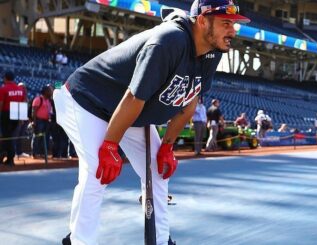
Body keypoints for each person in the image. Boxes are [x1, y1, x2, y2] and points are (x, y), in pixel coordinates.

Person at [53, 1, 250, 244]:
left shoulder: (212, 52)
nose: (233, 31)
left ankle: (161, 240)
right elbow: (134, 97)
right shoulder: (169, 41)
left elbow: (189, 103)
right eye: (225, 23)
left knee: (158, 172)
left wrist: (167, 146)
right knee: (98, 171)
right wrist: (109, 145)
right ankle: (79, 241)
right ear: (201, 20)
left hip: (129, 111)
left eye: (233, 24)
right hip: (86, 100)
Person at [0, 71, 27, 165]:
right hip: (17, 114)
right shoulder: (20, 89)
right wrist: (21, 117)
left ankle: (9, 159)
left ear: (5, 78)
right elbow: (24, 102)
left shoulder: (3, 89)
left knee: (6, 137)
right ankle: (8, 158)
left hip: (6, 114)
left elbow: (1, 104)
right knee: (10, 137)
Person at [31, 85, 53, 158]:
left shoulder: (48, 101)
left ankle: (42, 153)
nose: (50, 92)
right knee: (37, 137)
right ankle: (34, 153)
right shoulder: (38, 99)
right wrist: (34, 122)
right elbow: (34, 111)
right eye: (49, 91)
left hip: (46, 121)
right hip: (39, 121)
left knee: (45, 138)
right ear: (45, 92)